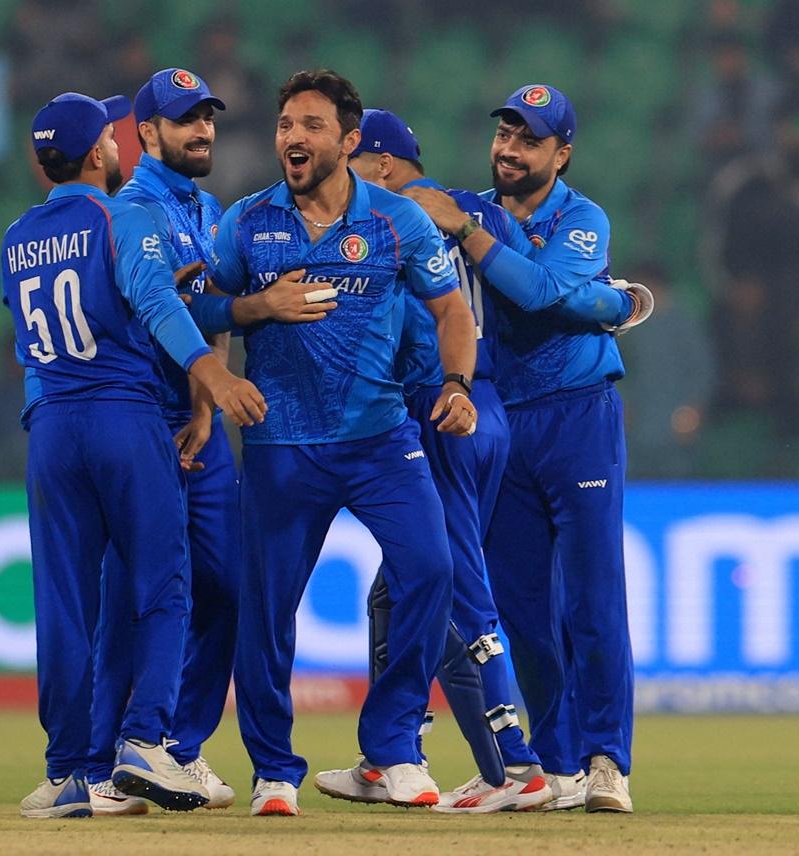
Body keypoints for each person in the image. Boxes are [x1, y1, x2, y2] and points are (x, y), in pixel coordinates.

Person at [193, 70, 477, 816]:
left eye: (311, 125)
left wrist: (456, 386)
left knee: (430, 568)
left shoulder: (397, 222)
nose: (293, 136)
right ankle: (274, 771)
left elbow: (452, 311)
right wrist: (256, 311)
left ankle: (392, 748)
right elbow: (204, 305)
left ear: (349, 142)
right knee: (267, 608)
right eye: (287, 124)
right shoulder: (247, 221)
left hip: (381, 438)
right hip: (282, 443)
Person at [345, 108, 642, 814]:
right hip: (501, 416)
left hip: (577, 416)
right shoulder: (468, 209)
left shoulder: (581, 218)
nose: (509, 150)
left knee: (593, 598)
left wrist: (607, 301)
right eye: (503, 136)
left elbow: (540, 291)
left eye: (528, 141)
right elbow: (421, 221)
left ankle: (607, 762)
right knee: (525, 610)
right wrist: (611, 301)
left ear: (561, 154)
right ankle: (559, 764)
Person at [6, 91, 265, 818]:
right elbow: (156, 303)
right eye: (112, 136)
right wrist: (212, 375)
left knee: (65, 602)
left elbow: (33, 342)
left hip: (52, 425)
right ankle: (144, 744)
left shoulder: (18, 235)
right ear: (98, 154)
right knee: (162, 583)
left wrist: (44, 411)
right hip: (124, 415)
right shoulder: (118, 215)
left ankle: (66, 773)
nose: (121, 144)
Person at [90, 67, 238, 811]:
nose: (202, 130)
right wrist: (209, 375)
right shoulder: (133, 211)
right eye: (185, 120)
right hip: (141, 421)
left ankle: (178, 747)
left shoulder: (211, 210)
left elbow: (208, 309)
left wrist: (208, 403)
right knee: (135, 595)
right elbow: (155, 300)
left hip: (196, 425)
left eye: (207, 117)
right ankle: (108, 755)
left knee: (228, 584)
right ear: (146, 133)